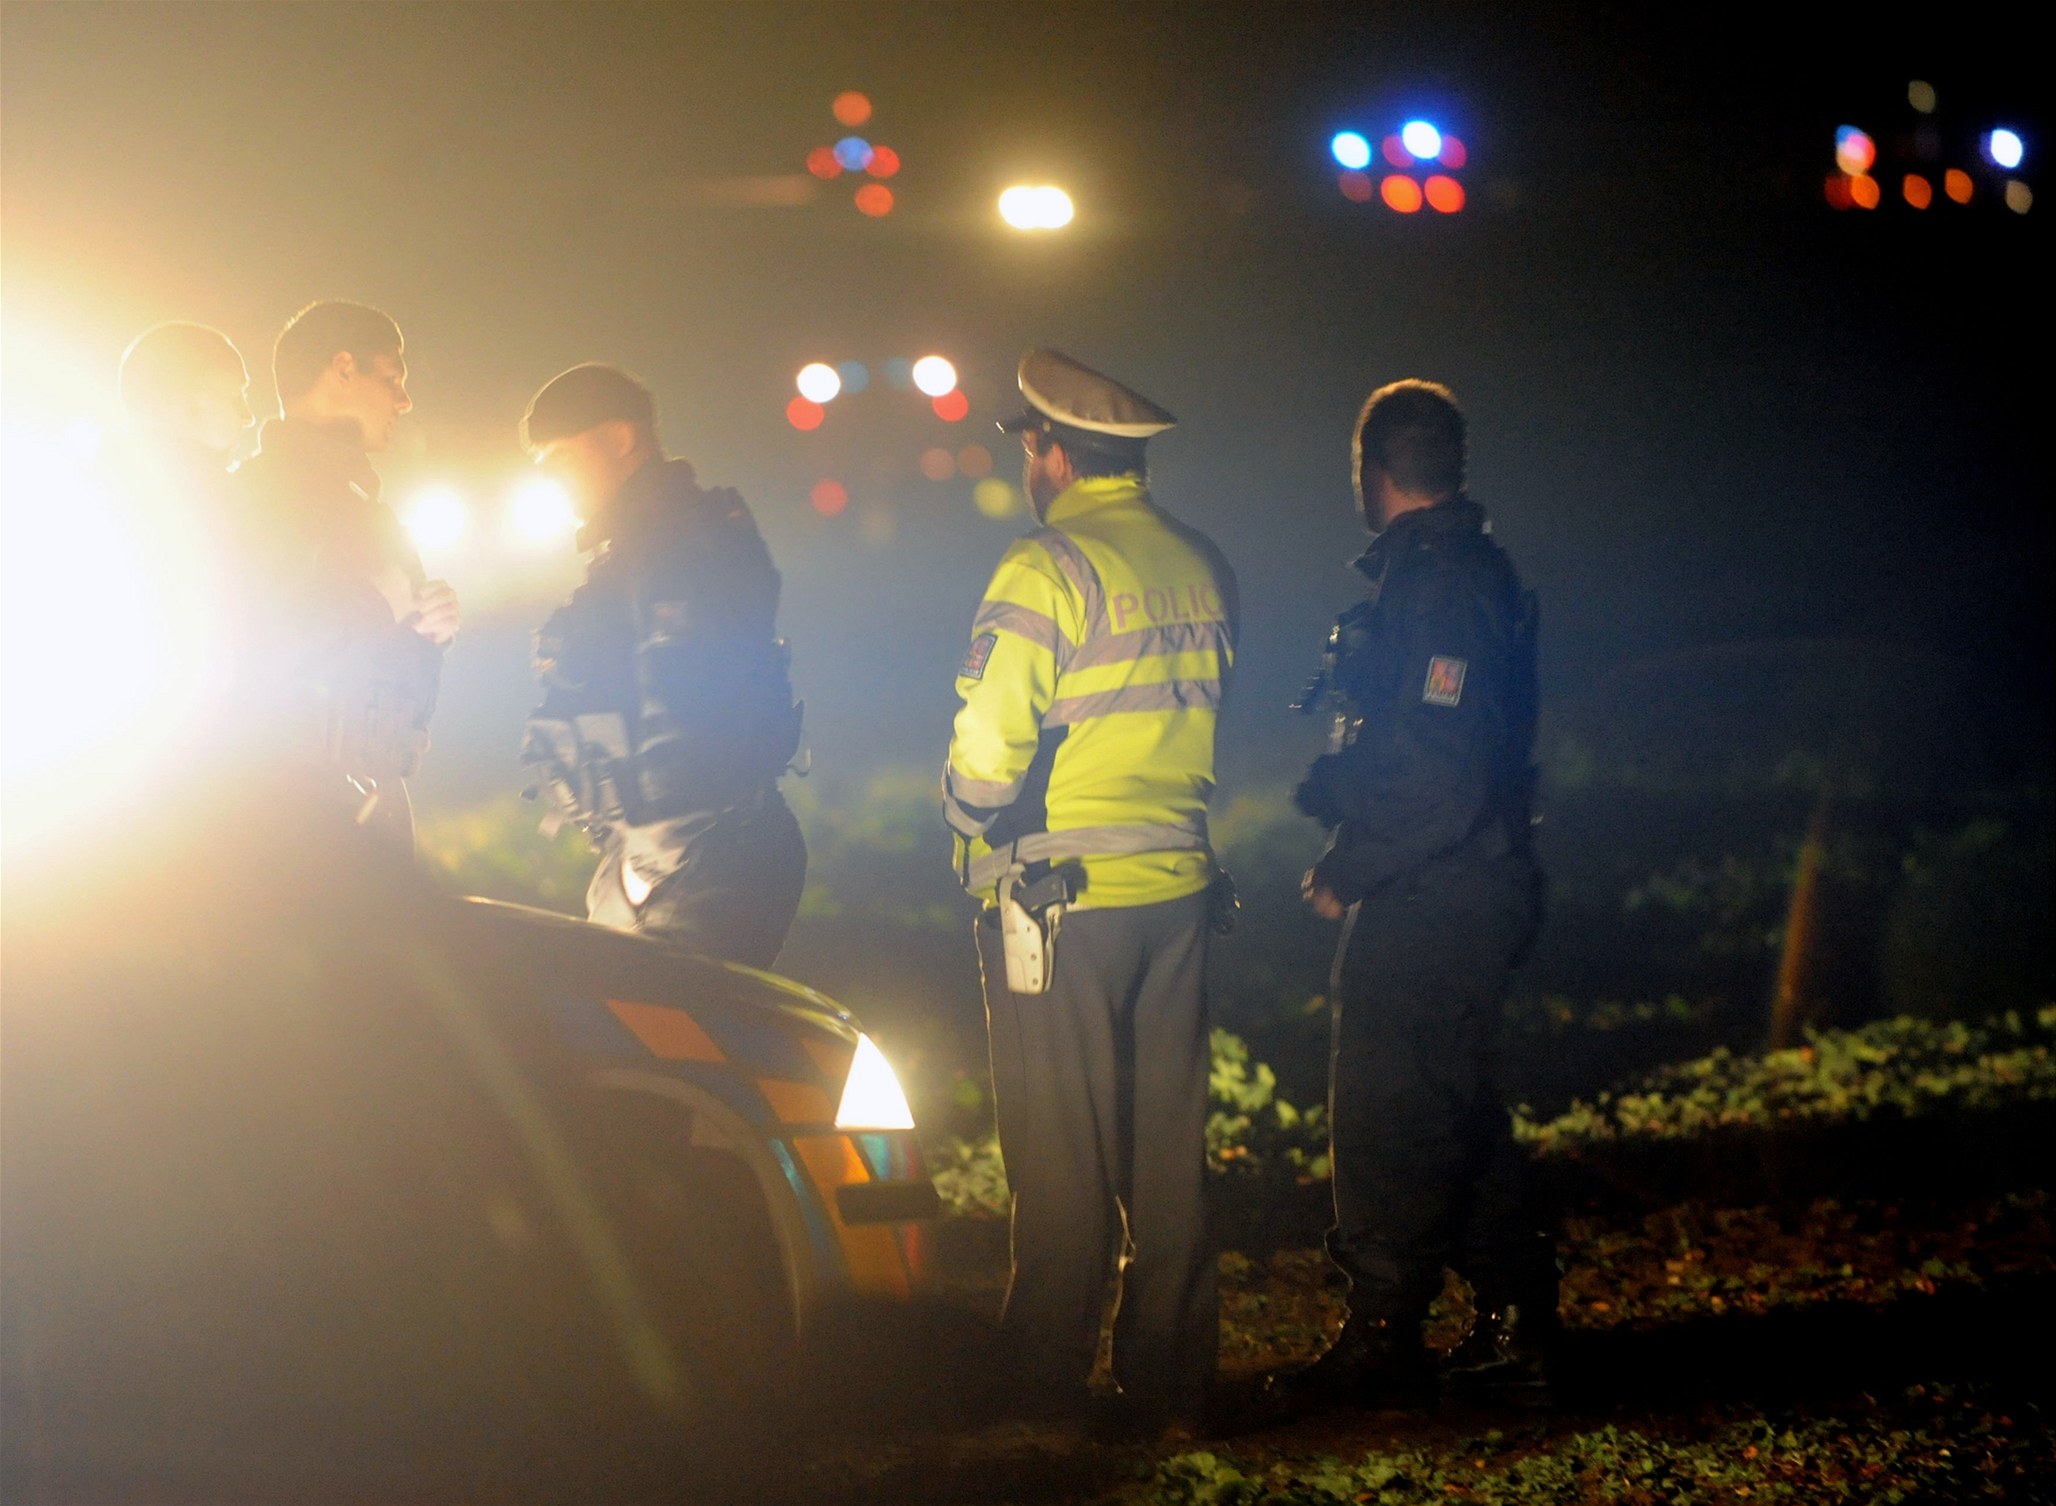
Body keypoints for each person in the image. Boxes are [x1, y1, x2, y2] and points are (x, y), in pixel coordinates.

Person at [943, 348, 1238, 1435]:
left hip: (1059, 903)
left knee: (1060, 1151)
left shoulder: (1045, 566)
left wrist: (964, 818)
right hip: (1179, 893)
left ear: (1052, 454)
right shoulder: (1203, 563)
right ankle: (1172, 1381)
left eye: (1028, 447)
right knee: (1168, 1153)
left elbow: (990, 746)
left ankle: (1044, 1382)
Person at [1274, 379, 1557, 1412]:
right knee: (1453, 1102)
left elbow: (1442, 769)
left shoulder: (1439, 586)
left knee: (1389, 1107)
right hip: (1465, 877)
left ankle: (1385, 1330)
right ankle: (1512, 1322)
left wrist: (1353, 855)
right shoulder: (1459, 571)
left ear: (1373, 471)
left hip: (1440, 885)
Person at [519, 363, 805, 969]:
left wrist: (650, 864)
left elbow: (687, 713)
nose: (550, 479)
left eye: (560, 457)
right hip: (678, 854)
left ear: (620, 439)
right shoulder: (646, 542)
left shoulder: (675, 542)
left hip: (694, 860)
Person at [235, 300, 459, 847]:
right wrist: (378, 607)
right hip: (282, 815)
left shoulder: (370, 511)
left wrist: (429, 631)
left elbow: (403, 683)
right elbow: (247, 650)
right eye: (392, 378)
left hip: (369, 803)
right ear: (342, 369)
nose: (404, 400)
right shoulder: (252, 498)